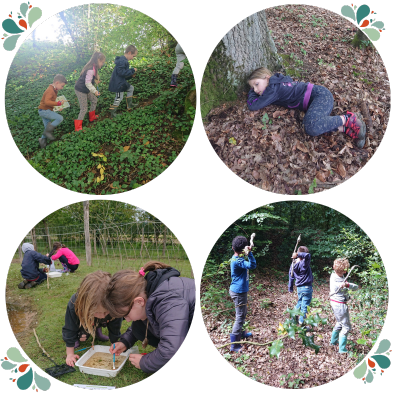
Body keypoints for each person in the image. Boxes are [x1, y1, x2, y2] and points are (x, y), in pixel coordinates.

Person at [103, 261, 195, 373]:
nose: (127, 319)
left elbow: (172, 348)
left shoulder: (167, 302)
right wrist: (125, 341)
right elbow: (143, 323)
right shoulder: (148, 293)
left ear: (138, 302)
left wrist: (144, 362)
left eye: (126, 314)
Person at [247, 68, 366, 148]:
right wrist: (255, 88)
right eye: (253, 88)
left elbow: (253, 105)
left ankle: (349, 118)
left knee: (311, 126)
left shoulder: (272, 88)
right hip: (319, 97)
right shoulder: (277, 83)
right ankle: (346, 128)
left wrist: (251, 92)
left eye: (256, 84)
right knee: (314, 124)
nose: (256, 90)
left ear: (267, 78)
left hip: (320, 96)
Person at [62, 271, 123, 367]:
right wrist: (70, 354)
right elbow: (69, 328)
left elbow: (115, 326)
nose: (103, 315)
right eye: (97, 312)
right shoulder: (74, 304)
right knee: (83, 336)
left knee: (103, 319)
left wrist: (114, 344)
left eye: (106, 312)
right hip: (84, 320)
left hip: (96, 319)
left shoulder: (114, 303)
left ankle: (97, 330)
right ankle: (83, 332)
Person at [229, 236, 257, 352]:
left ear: (232, 248)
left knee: (243, 313)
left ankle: (242, 334)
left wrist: (246, 251)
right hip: (238, 292)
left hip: (240, 291)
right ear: (244, 248)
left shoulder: (237, 258)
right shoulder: (238, 261)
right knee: (240, 316)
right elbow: (252, 265)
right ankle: (234, 344)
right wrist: (249, 253)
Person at [329, 258, 359, 354]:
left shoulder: (333, 275)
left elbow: (352, 287)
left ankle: (333, 342)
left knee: (339, 322)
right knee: (346, 327)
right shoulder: (337, 280)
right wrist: (346, 285)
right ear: (345, 271)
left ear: (333, 267)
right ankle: (342, 349)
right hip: (339, 304)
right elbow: (355, 287)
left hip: (334, 302)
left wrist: (345, 284)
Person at [74, 51, 106, 131]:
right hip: (80, 90)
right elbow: (87, 82)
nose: (102, 64)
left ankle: (92, 117)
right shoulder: (91, 69)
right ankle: (78, 127)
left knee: (94, 100)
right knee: (84, 108)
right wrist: (95, 91)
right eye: (102, 62)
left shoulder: (94, 67)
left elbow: (90, 79)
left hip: (86, 89)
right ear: (98, 60)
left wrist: (95, 81)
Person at [37, 74, 67, 148]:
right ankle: (47, 132)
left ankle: (42, 141)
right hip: (44, 111)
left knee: (47, 126)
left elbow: (50, 102)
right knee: (60, 118)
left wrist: (57, 107)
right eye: (62, 86)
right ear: (57, 83)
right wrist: (58, 103)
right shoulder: (50, 90)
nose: (62, 88)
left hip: (44, 110)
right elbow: (47, 102)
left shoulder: (53, 89)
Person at [108, 45, 138, 118]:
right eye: (133, 56)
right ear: (129, 53)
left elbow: (123, 74)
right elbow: (121, 72)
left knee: (131, 88)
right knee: (119, 97)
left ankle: (129, 105)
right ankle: (113, 113)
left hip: (121, 82)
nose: (133, 58)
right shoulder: (122, 61)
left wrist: (130, 75)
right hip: (118, 83)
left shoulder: (123, 60)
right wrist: (132, 70)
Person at [288, 246, 313, 329]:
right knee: (304, 306)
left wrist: (290, 287)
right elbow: (308, 256)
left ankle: (293, 318)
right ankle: (302, 324)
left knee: (300, 302)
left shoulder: (293, 264)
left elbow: (291, 276)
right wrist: (298, 254)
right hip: (306, 288)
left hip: (299, 288)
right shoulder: (303, 263)